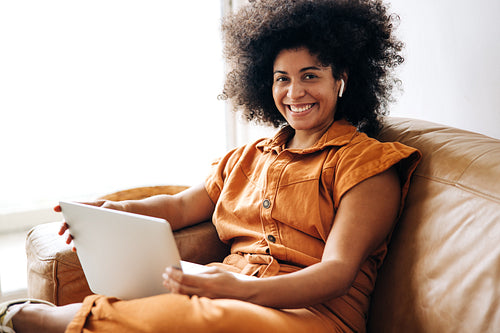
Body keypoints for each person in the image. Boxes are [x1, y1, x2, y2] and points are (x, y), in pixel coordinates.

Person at [1, 0, 421, 332]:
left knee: (189, 319)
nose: (295, 92)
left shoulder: (368, 163)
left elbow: (337, 273)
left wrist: (243, 290)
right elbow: (181, 207)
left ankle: (28, 320)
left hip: (313, 316)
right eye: (281, 78)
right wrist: (115, 212)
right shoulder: (247, 157)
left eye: (310, 75)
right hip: (226, 290)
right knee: (151, 298)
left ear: (341, 78)